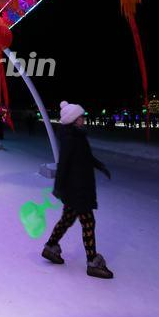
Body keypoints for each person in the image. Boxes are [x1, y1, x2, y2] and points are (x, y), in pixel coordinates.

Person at [42, 101, 114, 279]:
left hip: (76, 188)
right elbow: (64, 164)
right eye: (81, 117)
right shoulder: (71, 139)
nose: (84, 119)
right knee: (88, 223)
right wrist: (58, 187)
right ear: (74, 120)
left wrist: (99, 165)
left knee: (67, 220)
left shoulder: (77, 136)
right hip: (78, 189)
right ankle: (92, 262)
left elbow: (85, 156)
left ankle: (50, 247)